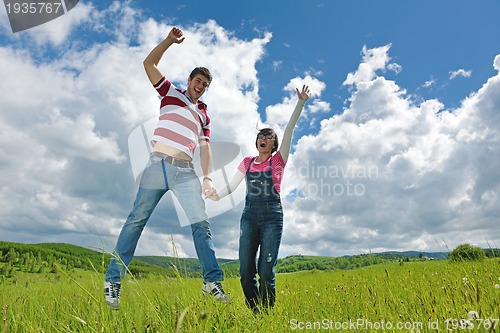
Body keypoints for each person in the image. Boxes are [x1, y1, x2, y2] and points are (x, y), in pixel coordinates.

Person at [104, 27, 231, 310]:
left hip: (186, 171)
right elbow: (148, 64)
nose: (200, 86)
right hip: (158, 164)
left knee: (202, 226)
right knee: (136, 220)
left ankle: (211, 282)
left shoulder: (204, 115)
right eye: (198, 80)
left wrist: (208, 177)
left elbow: (206, 148)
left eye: (205, 84)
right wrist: (169, 42)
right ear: (189, 80)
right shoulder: (170, 92)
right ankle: (113, 280)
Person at [208, 85, 310, 313]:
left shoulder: (278, 161)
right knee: (245, 271)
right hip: (249, 217)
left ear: (273, 144)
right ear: (257, 142)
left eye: (268, 137)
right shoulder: (247, 162)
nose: (263, 139)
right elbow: (232, 185)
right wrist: (216, 195)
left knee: (266, 270)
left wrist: (300, 103)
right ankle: (255, 310)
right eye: (260, 136)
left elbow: (290, 131)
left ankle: (266, 313)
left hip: (273, 218)